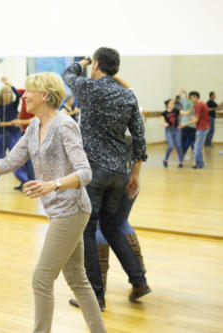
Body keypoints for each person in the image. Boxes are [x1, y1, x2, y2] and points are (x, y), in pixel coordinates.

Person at [0, 72, 106, 333]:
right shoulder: (33, 127)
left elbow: (85, 172)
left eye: (28, 92)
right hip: (58, 210)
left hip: (71, 210)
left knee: (41, 278)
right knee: (77, 279)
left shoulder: (64, 125)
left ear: (45, 95)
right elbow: (7, 163)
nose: (24, 96)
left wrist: (54, 184)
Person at [62, 47, 150, 310]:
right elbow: (139, 138)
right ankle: (139, 281)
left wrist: (84, 61)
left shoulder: (90, 89)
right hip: (118, 172)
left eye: (94, 63)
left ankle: (95, 297)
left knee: (88, 231)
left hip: (93, 172)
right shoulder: (127, 97)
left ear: (97, 64)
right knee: (112, 228)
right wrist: (134, 174)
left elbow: (67, 73)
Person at [0, 77, 29, 192]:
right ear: (1, 95)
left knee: (17, 157)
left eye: (8, 93)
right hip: (1, 135)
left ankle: (24, 181)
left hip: (14, 135)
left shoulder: (14, 105)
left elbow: (17, 94)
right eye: (4, 93)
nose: (7, 95)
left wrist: (9, 84)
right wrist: (6, 123)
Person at [179, 91, 210, 169]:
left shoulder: (199, 105)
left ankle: (200, 165)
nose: (191, 100)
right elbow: (199, 116)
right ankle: (199, 165)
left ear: (195, 97)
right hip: (203, 127)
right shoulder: (201, 104)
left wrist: (184, 124)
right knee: (197, 147)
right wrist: (192, 117)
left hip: (202, 128)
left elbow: (196, 120)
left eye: (191, 98)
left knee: (197, 148)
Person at [161, 98, 184, 168]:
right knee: (171, 145)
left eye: (173, 103)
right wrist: (164, 124)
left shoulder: (176, 111)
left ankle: (181, 161)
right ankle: (165, 160)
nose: (172, 104)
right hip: (169, 130)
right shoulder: (164, 113)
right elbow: (161, 122)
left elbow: (185, 113)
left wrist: (191, 106)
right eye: (171, 103)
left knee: (179, 146)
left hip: (177, 130)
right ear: (167, 105)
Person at [179, 90, 196, 157]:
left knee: (188, 140)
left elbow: (181, 95)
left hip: (189, 124)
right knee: (189, 140)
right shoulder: (191, 103)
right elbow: (182, 96)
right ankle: (184, 153)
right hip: (188, 124)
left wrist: (184, 92)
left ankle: (184, 153)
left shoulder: (187, 102)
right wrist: (184, 92)